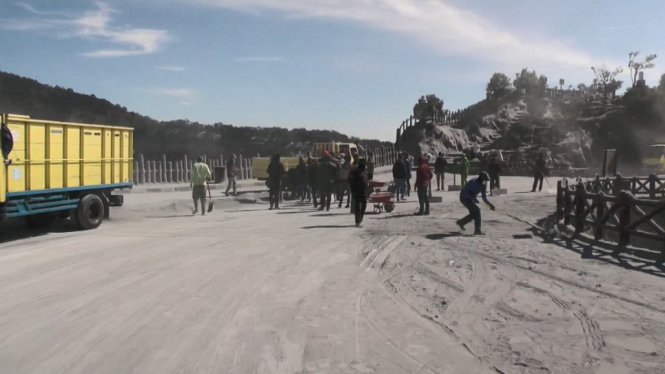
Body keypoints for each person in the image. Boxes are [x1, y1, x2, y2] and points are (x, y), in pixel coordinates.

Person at [348, 158, 369, 228]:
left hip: (364, 191)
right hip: (357, 191)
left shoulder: (365, 171)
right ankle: (357, 221)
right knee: (358, 208)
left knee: (364, 206)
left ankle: (360, 220)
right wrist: (353, 190)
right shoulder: (355, 172)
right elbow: (350, 181)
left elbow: (368, 179)